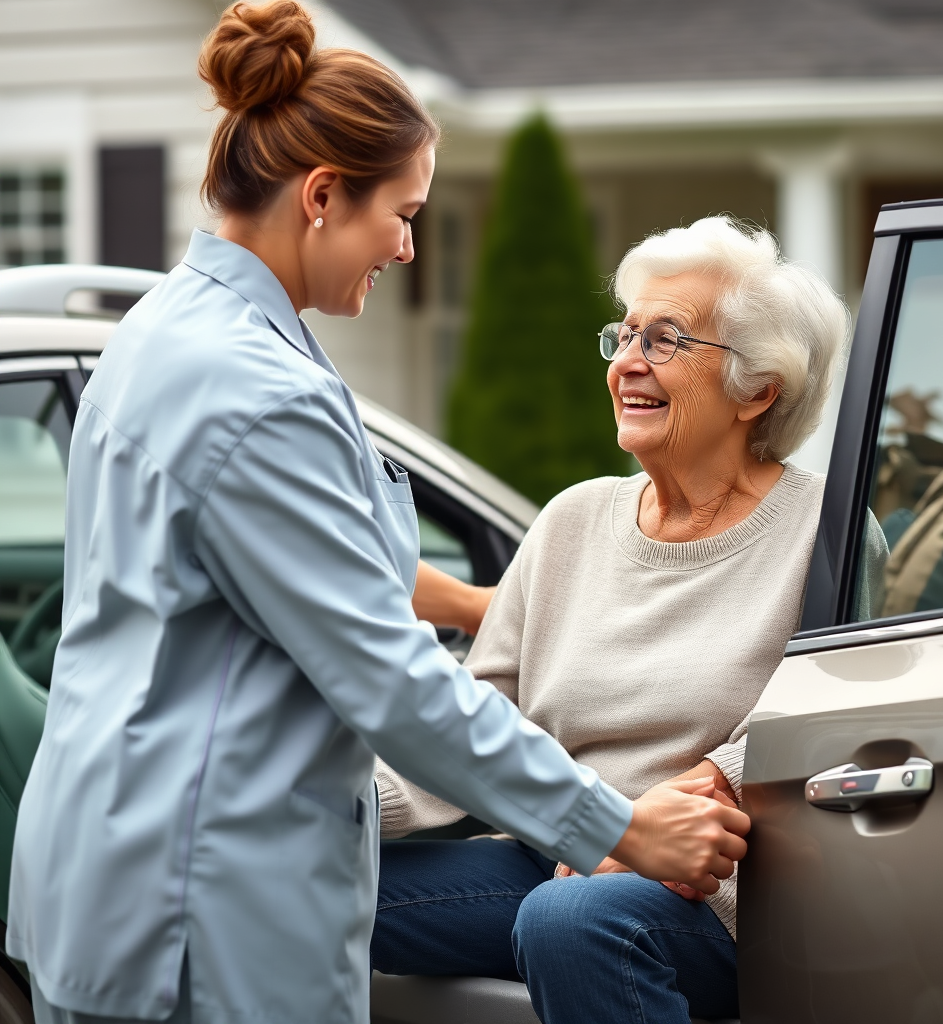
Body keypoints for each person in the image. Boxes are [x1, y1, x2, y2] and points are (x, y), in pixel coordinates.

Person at [4, 7, 750, 1024]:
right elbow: (390, 680)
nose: (406, 245)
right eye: (401, 213)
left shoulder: (157, 333)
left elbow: (282, 596)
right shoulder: (256, 388)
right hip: (206, 910)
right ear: (320, 197)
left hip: (115, 876)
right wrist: (615, 826)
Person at [372, 216, 855, 1024]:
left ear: (759, 388)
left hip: (718, 894)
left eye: (665, 341)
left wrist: (650, 819)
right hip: (553, 859)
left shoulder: (825, 533)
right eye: (624, 335)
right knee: (300, 875)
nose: (628, 361)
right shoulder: (573, 520)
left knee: (570, 919)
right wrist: (323, 805)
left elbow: (833, 715)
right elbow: (473, 721)